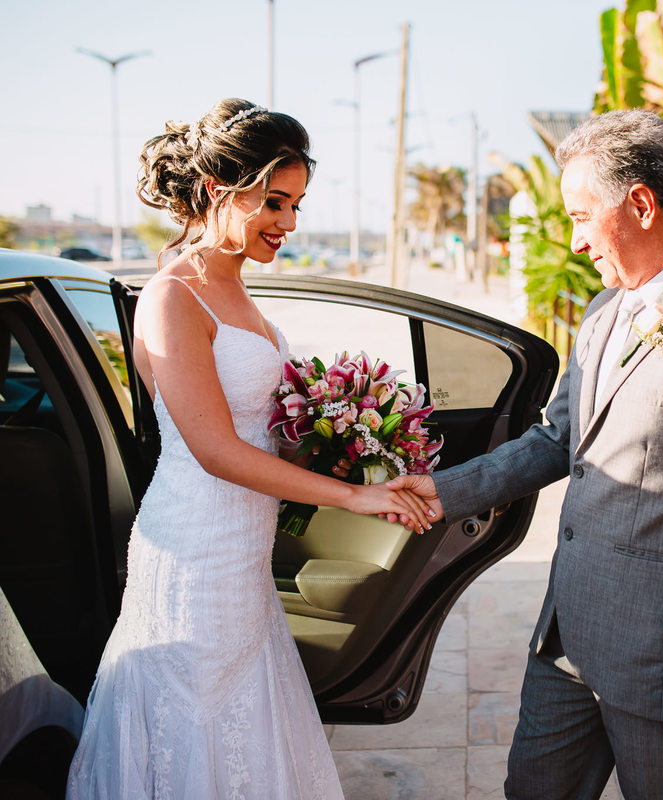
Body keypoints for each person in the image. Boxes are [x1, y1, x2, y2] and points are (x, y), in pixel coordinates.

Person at [389, 109, 663, 800]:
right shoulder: (603, 311)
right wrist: (441, 490)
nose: (575, 243)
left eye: (580, 217)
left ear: (639, 203)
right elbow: (556, 441)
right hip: (565, 638)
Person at [66, 98, 433, 799]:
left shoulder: (233, 284)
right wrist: (357, 496)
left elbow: (260, 434)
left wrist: (352, 448)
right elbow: (214, 449)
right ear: (215, 191)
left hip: (242, 554)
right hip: (194, 550)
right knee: (193, 719)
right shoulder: (175, 296)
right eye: (274, 201)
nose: (289, 223)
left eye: (296, 203)